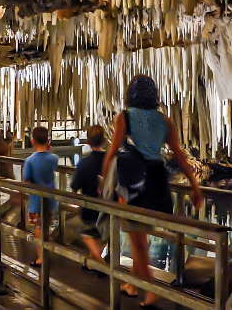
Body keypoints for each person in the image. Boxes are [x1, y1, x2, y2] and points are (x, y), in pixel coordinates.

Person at [102, 75, 203, 308]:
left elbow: (113, 150)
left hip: (135, 184)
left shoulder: (124, 118)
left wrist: (104, 181)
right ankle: (133, 284)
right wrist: (195, 186)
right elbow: (179, 155)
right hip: (158, 182)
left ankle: (151, 292)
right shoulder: (165, 121)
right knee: (140, 237)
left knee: (137, 241)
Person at [70, 124, 108, 271]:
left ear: (88, 142)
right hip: (109, 208)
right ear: (104, 140)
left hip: (89, 209)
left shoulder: (84, 164)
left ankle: (101, 265)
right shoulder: (111, 161)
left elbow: (74, 187)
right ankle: (92, 262)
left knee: (87, 234)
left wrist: (75, 202)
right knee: (102, 234)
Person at [23, 126, 58, 266]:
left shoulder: (30, 161)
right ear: (48, 140)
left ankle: (41, 257)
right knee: (46, 226)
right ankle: (46, 252)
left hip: (36, 201)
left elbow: (26, 180)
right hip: (50, 198)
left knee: (38, 228)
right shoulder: (53, 158)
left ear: (32, 141)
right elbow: (52, 157)